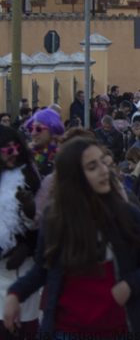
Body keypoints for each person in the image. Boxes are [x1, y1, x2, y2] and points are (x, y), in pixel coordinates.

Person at [2, 137, 140, 339]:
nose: (104, 171)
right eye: (92, 167)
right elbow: (43, 269)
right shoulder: (54, 218)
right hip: (65, 331)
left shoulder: (128, 215)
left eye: (103, 163)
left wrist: (131, 284)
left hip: (123, 329)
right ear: (73, 176)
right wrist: (15, 294)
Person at [0, 126, 41, 340]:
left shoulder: (28, 175)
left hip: (22, 268)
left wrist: (26, 247)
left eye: (17, 148)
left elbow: (39, 222)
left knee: (22, 327)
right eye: (7, 150)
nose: (15, 153)